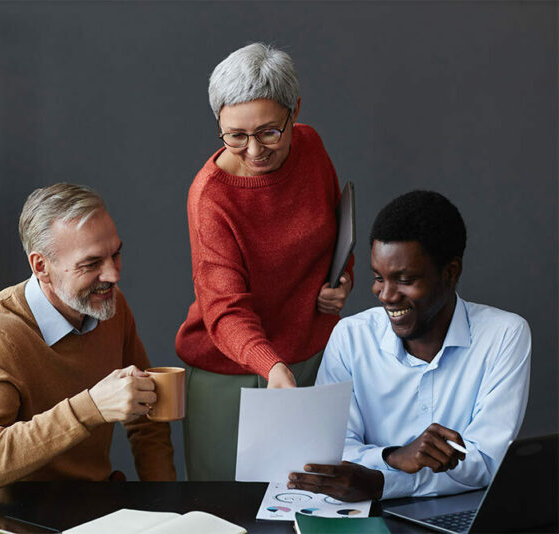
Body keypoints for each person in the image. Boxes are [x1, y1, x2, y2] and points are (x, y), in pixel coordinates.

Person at [175, 42, 354, 480]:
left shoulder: (311, 146)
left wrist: (341, 281)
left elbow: (335, 228)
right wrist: (270, 365)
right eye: (236, 136)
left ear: (295, 110)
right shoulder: (210, 197)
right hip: (233, 375)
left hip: (316, 356)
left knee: (314, 501)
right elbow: (223, 308)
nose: (254, 150)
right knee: (231, 514)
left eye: (269, 132)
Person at [287, 190, 531, 501]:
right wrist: (394, 456)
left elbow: (486, 462)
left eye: (404, 279)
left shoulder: (504, 336)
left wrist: (381, 482)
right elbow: (330, 452)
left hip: (458, 516)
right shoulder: (350, 336)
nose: (386, 295)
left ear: (450, 272)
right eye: (378, 277)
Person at [0, 183, 176, 496]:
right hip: (12, 518)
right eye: (91, 263)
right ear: (41, 266)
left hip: (94, 507)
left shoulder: (111, 306)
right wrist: (91, 406)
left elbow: (147, 418)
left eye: (116, 254)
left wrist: (166, 505)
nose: (113, 275)